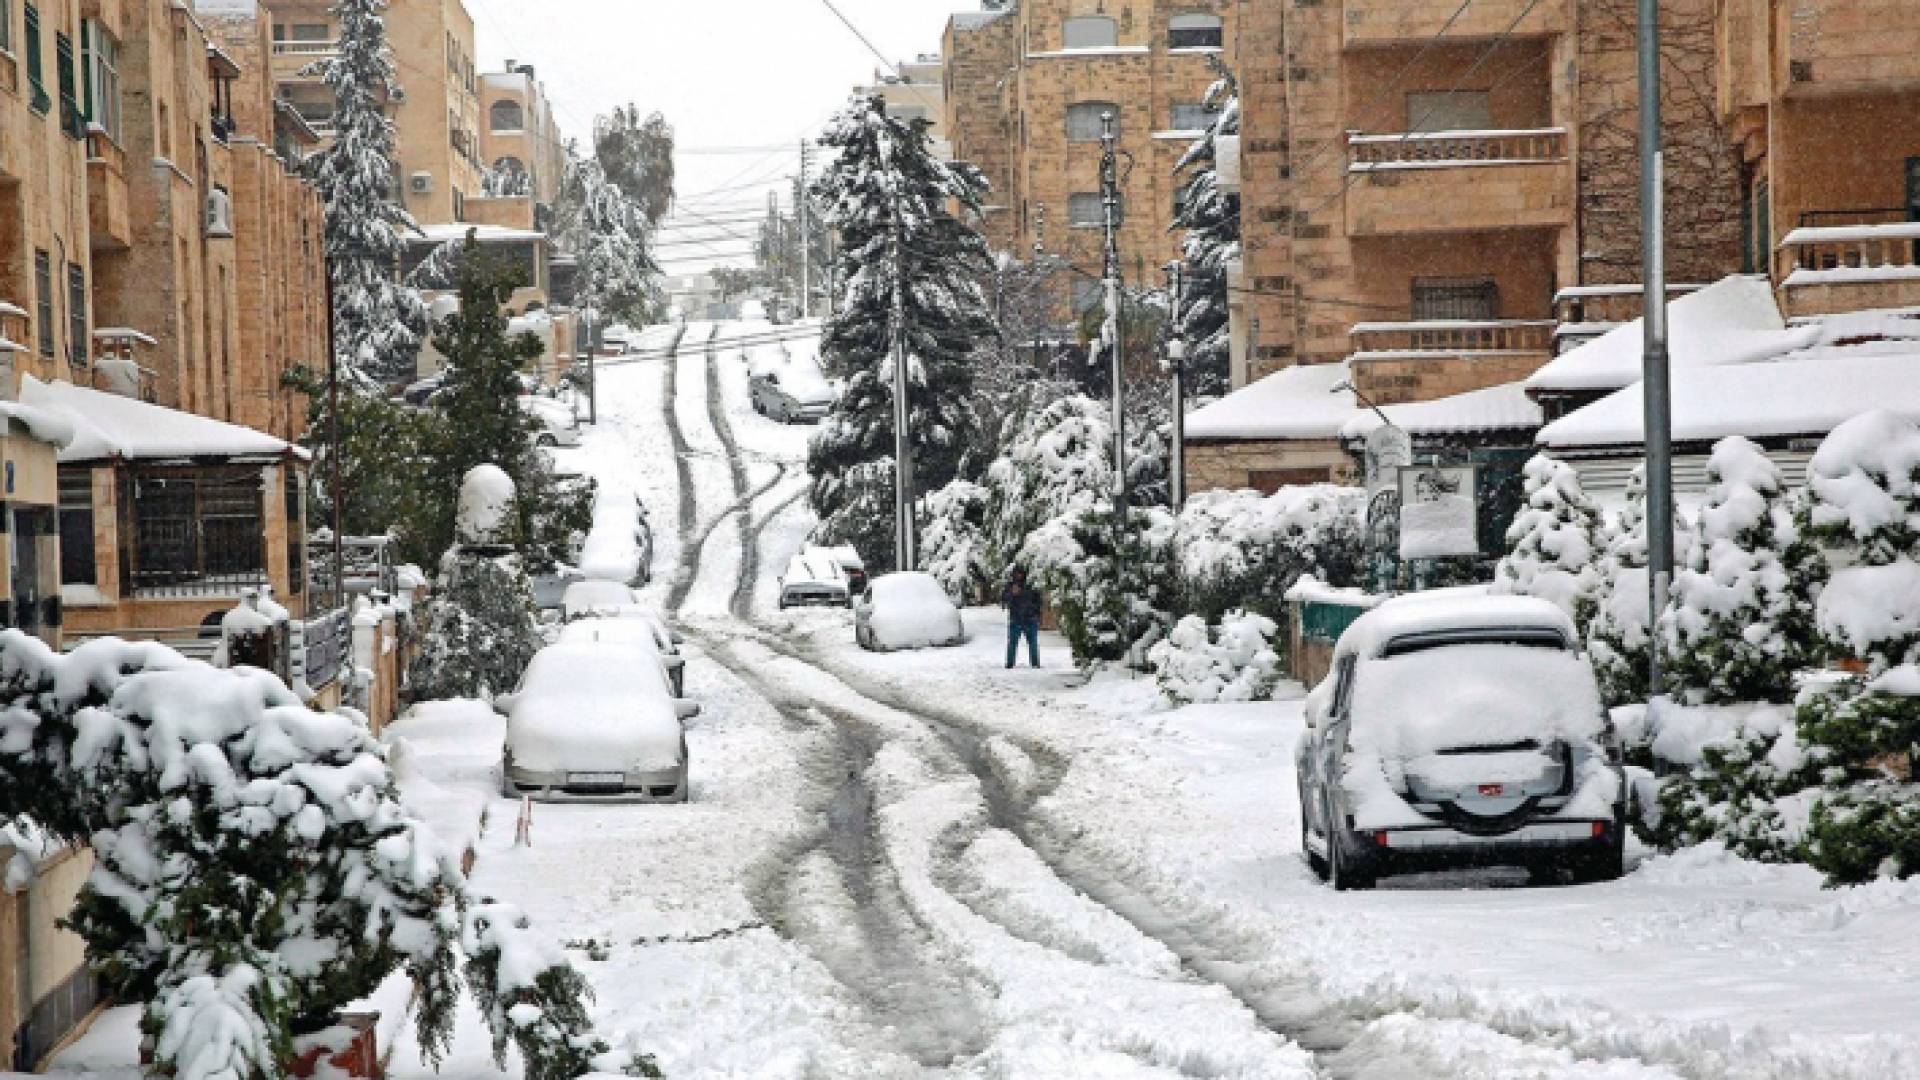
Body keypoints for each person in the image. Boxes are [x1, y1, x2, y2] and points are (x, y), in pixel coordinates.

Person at [1001, 567, 1044, 669]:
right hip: (1015, 618)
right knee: (1012, 643)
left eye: (1020, 573)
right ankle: (1010, 664)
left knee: (1033, 643)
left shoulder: (1030, 586)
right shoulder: (1010, 586)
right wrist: (1011, 594)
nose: (1018, 576)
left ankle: (1035, 663)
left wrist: (1037, 613)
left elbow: (1038, 601)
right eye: (1016, 574)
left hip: (1030, 618)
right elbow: (1004, 599)